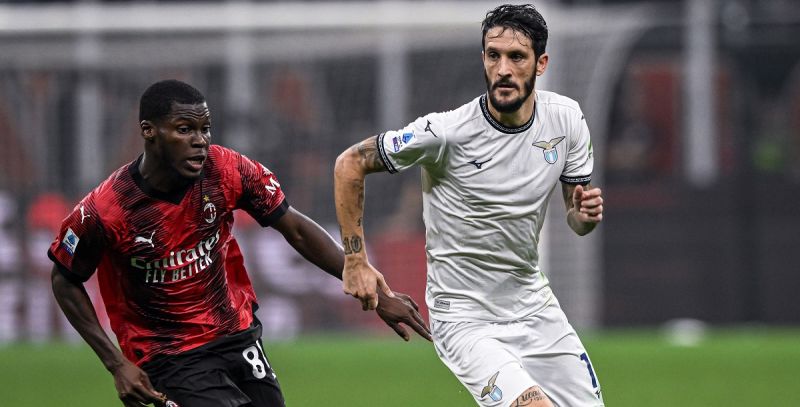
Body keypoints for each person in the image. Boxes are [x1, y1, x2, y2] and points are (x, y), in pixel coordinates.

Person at [49, 79, 431, 407]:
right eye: (184, 129)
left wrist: (376, 293)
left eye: (205, 129)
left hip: (237, 333)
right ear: (149, 131)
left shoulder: (227, 170)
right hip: (169, 355)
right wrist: (116, 363)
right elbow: (64, 278)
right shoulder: (106, 209)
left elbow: (295, 228)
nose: (199, 141)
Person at [334, 4, 605, 407]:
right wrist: (355, 260)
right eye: (494, 55)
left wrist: (583, 217)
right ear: (483, 59)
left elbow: (576, 218)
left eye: (517, 57)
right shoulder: (446, 133)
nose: (503, 69)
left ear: (541, 63)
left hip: (534, 308)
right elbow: (350, 163)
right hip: (465, 319)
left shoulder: (566, 120)